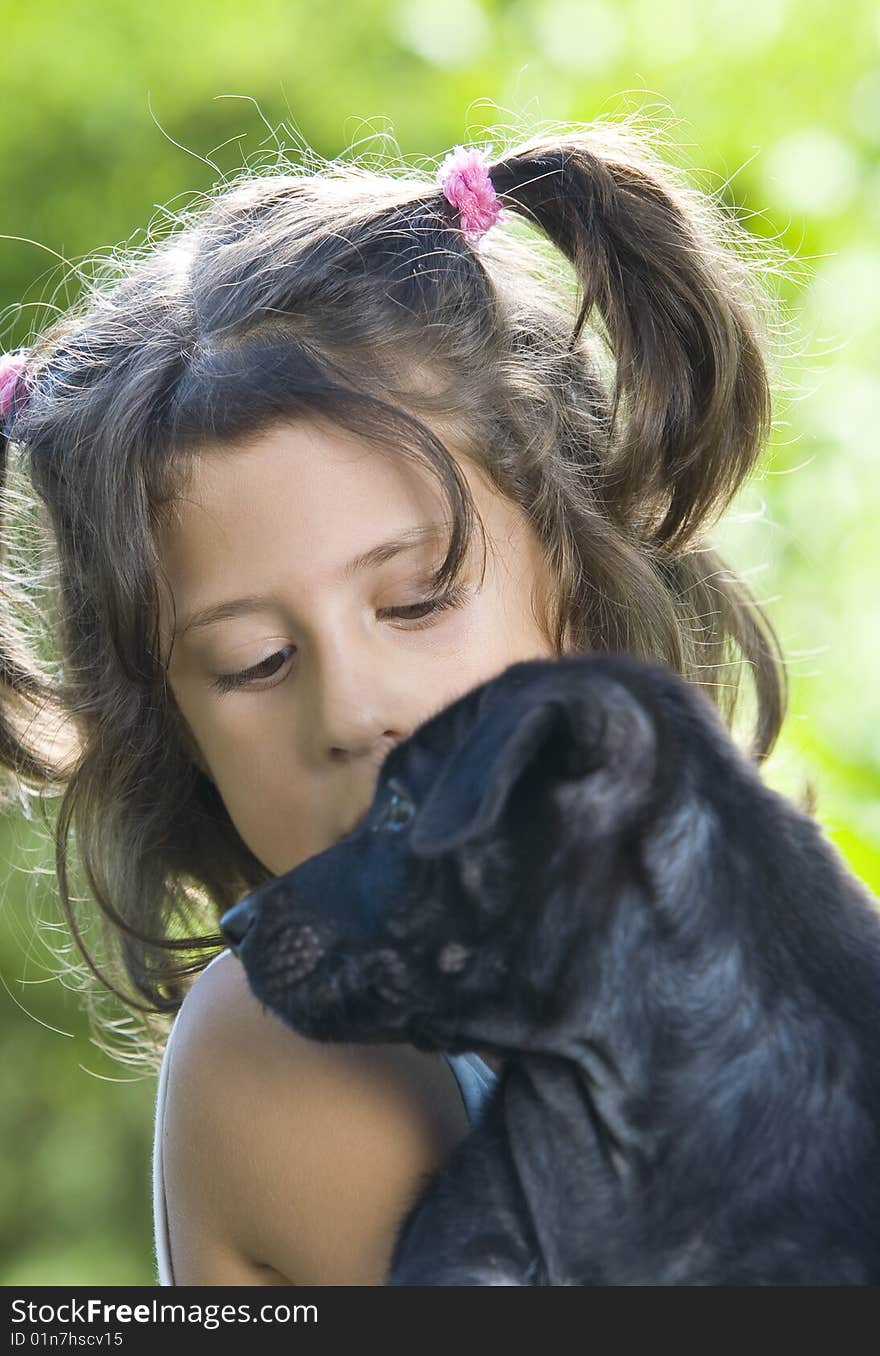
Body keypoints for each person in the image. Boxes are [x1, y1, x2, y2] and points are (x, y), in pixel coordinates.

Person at [0, 117, 803, 1285]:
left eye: (419, 600)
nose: (354, 709)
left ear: (576, 585)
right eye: (257, 665)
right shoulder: (285, 1051)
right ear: (176, 726)